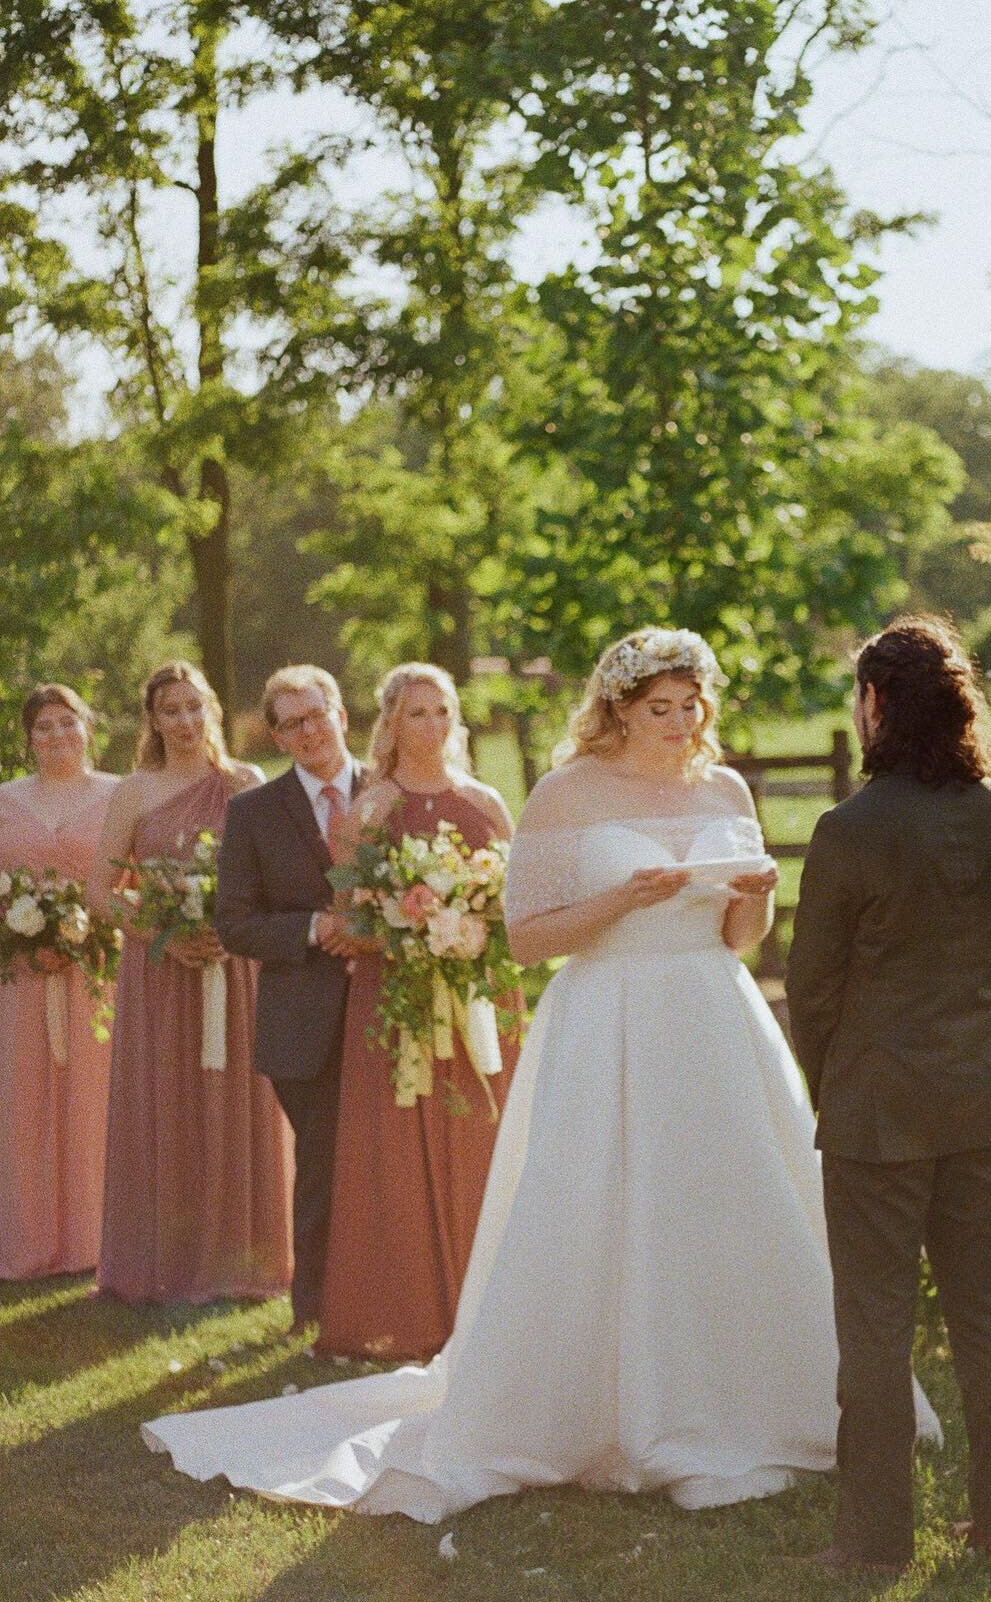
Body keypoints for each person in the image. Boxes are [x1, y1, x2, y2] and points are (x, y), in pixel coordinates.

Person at [141, 628, 938, 1514]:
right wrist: (619, 900)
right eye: (660, 710)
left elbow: (740, 943)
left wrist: (753, 903)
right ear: (620, 710)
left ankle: (754, 1399)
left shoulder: (724, 787)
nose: (681, 724)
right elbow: (527, 936)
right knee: (604, 1204)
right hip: (607, 1018)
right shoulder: (567, 792)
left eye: (691, 708)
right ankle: (604, 1408)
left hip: (712, 1018)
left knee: (728, 1196)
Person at [786, 616, 991, 1575]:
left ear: (878, 705)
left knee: (877, 1326)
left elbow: (811, 988)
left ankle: (873, 1542)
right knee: (989, 1310)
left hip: (879, 1111)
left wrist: (836, 1081)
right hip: (982, 1097)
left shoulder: (849, 829)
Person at [314, 663, 521, 1362]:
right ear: (390, 723)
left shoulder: (487, 801)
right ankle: (409, 1307)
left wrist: (472, 928)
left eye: (442, 712)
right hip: (398, 999)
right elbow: (348, 920)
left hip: (477, 998)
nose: (431, 726)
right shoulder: (371, 808)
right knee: (398, 1146)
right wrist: (412, 934)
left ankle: (492, 1301)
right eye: (415, 713)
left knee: (483, 1135)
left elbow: (513, 900)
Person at [88, 661, 292, 1305]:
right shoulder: (134, 791)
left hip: (236, 970)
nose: (182, 721)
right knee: (166, 1103)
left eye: (192, 707)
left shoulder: (246, 782)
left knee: (238, 1099)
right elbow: (99, 889)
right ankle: (164, 1260)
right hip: (160, 975)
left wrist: (231, 929)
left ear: (213, 712)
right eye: (168, 710)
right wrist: (161, 932)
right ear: (151, 719)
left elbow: (275, 881)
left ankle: (243, 1257)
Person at [213, 665, 364, 1333]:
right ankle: (320, 1312)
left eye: (316, 714)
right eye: (291, 723)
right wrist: (313, 927)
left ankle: (410, 1297)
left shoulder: (392, 793)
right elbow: (234, 923)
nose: (308, 731)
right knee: (323, 1167)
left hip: (398, 1009)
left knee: (399, 1158)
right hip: (303, 1021)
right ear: (276, 736)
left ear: (342, 715)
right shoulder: (252, 813)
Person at [0, 685, 119, 1278]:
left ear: (88, 727)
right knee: (21, 1101)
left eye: (67, 723)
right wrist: (22, 933)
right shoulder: (4, 801)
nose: (57, 736)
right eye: (43, 727)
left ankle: (97, 1238)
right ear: (28, 739)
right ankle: (26, 1236)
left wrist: (87, 933)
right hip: (19, 980)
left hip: (100, 977)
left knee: (95, 1101)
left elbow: (135, 883)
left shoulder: (119, 795)